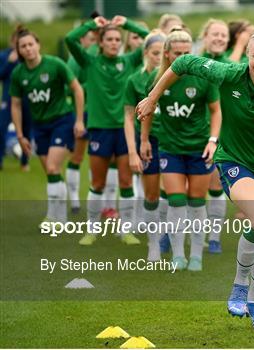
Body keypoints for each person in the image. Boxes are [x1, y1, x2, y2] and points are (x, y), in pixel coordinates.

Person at [137, 26, 254, 331]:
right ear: (247, 55)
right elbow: (183, 63)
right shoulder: (229, 74)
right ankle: (240, 285)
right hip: (234, 161)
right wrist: (152, 99)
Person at [140, 28, 221, 270]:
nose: (184, 58)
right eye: (178, 53)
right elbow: (147, 109)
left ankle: (196, 254)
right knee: (176, 201)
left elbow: (217, 110)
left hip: (198, 148)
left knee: (197, 202)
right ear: (167, 54)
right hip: (170, 148)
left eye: (187, 53)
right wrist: (144, 140)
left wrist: (212, 140)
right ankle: (178, 254)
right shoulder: (157, 79)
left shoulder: (203, 77)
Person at [65, 15, 149, 246]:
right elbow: (70, 39)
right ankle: (92, 229)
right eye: (109, 39)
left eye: (116, 39)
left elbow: (150, 39)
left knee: (125, 181)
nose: (113, 43)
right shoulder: (89, 62)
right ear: (100, 42)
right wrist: (93, 24)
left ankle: (126, 230)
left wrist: (128, 24)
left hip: (124, 130)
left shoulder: (129, 61)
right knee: (98, 183)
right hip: (100, 130)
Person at [10, 27, 84, 223]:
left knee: (52, 167)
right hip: (39, 126)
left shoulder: (55, 64)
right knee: (51, 172)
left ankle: (53, 217)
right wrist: (20, 135)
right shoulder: (18, 73)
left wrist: (78, 120)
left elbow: (77, 90)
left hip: (62, 121)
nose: (28, 49)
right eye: (23, 46)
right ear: (19, 50)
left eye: (30, 44)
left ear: (38, 45)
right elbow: (16, 105)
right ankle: (61, 217)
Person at [123, 30, 165, 261]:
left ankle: (169, 237)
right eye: (155, 53)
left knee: (173, 192)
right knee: (151, 195)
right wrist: (133, 150)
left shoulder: (175, 77)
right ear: (146, 53)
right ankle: (153, 244)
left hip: (172, 141)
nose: (159, 57)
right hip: (147, 142)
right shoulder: (135, 80)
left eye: (162, 53)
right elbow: (129, 118)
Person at [198, 18, 231, 254]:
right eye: (215, 34)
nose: (219, 38)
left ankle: (214, 237)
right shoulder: (195, 65)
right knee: (186, 189)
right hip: (190, 133)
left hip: (222, 135)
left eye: (223, 35)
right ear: (205, 36)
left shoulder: (233, 67)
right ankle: (174, 232)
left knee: (215, 184)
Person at [65, 25, 97, 213]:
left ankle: (98, 201)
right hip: (82, 113)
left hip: (100, 114)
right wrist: (89, 85)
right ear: (83, 41)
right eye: (91, 40)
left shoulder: (100, 58)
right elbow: (69, 87)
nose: (94, 44)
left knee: (99, 158)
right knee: (77, 156)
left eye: (95, 40)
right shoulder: (75, 61)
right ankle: (75, 199)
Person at [0, 26, 32, 172]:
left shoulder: (28, 56)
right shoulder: (4, 55)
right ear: (11, 41)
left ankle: (24, 162)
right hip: (8, 99)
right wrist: (9, 63)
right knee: (1, 128)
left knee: (26, 130)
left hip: (26, 99)